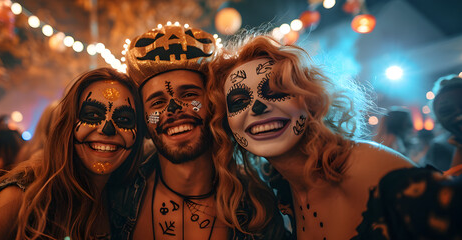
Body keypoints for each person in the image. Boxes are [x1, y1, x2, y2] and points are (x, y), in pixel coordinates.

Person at [208, 35, 415, 240]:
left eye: (276, 91)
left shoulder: (364, 166)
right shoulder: (283, 190)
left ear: (310, 100)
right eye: (238, 101)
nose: (258, 107)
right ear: (227, 123)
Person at [110, 24, 285, 239]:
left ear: (215, 105)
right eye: (157, 103)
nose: (173, 110)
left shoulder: (257, 207)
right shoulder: (115, 196)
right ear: (145, 123)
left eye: (189, 95)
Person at [0, 68, 145, 240]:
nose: (107, 129)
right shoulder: (21, 197)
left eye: (124, 119)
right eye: (92, 115)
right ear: (68, 125)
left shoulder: (127, 201)